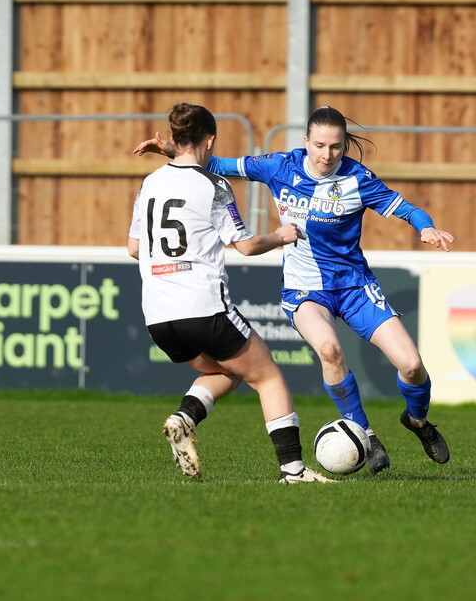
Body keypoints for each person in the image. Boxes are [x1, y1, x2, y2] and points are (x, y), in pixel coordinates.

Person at [134, 106, 456, 475]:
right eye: (319, 145)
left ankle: (417, 421)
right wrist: (175, 150)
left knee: (411, 365)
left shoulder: (358, 179)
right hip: (305, 290)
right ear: (305, 141)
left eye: (335, 147)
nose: (327, 155)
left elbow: (408, 209)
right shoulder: (280, 166)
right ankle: (366, 434)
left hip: (354, 285)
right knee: (330, 351)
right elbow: (218, 164)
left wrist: (426, 227)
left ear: (344, 145)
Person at [128, 103, 332, 484]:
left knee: (228, 371)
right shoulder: (214, 186)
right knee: (267, 376)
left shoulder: (150, 183)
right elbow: (247, 246)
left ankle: (185, 418)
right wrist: (281, 235)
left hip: (158, 317)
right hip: (203, 307)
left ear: (173, 138)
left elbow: (135, 248)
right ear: (210, 140)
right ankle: (293, 470)